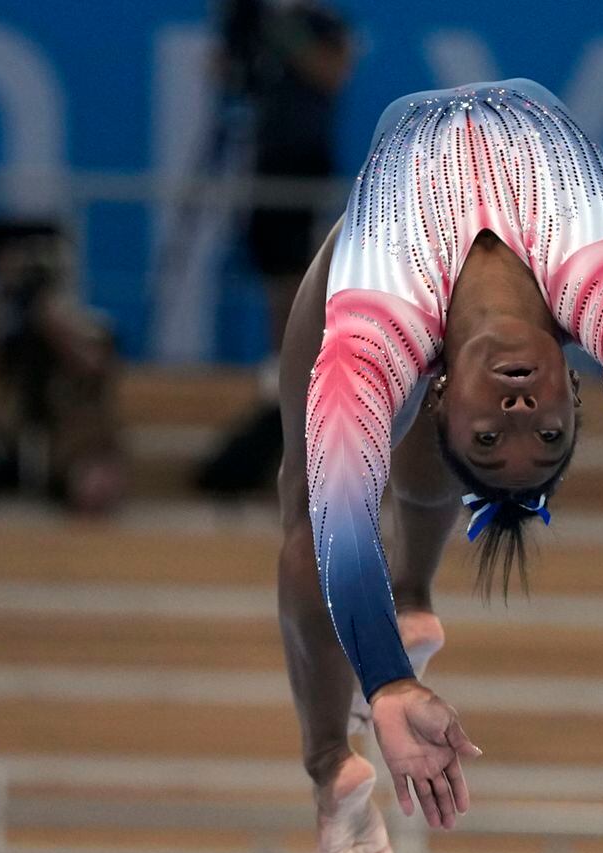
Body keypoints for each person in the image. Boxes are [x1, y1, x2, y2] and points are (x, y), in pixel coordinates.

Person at [276, 79, 603, 853]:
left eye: (492, 435)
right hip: (452, 316)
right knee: (324, 498)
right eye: (546, 429)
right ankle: (410, 604)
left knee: (309, 505)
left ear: (437, 393)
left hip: (395, 287)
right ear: (579, 385)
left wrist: (384, 685)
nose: (520, 408)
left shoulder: (375, 320)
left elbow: (342, 530)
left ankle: (327, 763)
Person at [196, 0, 353, 495]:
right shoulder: (249, 17)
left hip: (303, 159)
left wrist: (286, 33)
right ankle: (277, 364)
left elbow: (331, 73)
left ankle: (303, 366)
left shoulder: (320, 22)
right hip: (262, 155)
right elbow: (225, 77)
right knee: (272, 270)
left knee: (299, 271)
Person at [0, 231, 126, 513]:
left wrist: (49, 316)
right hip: (4, 436)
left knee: (97, 481)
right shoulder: (1, 323)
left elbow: (93, 363)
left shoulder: (88, 324)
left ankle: (86, 556)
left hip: (68, 440)